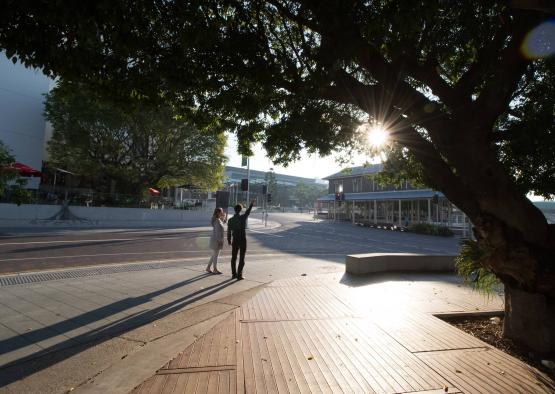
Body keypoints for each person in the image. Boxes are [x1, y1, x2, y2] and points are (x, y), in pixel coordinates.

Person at [227, 200, 254, 280]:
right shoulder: (242, 218)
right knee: (242, 257)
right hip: (242, 239)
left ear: (234, 210)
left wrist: (229, 240)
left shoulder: (230, 220)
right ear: (240, 210)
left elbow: (229, 231)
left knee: (233, 257)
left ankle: (233, 274)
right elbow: (247, 212)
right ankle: (239, 275)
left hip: (235, 239)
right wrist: (251, 205)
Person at [206, 207, 226, 274]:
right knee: (216, 255)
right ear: (218, 213)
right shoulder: (217, 221)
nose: (222, 213)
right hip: (217, 241)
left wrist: (223, 218)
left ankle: (208, 267)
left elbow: (221, 226)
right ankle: (215, 269)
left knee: (214, 255)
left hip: (215, 240)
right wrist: (220, 241)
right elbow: (218, 232)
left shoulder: (217, 220)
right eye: (221, 212)